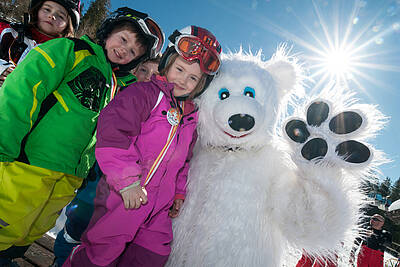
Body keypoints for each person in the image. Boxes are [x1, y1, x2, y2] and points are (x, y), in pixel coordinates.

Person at [0, 7, 164, 266]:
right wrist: (4, 144)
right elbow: (21, 90)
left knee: (33, 225)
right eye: (123, 39)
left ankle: (9, 257)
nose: (124, 50)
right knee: (7, 215)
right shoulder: (71, 51)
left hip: (69, 175)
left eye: (133, 51)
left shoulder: (120, 86)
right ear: (109, 31)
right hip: (27, 162)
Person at [63, 25, 222, 267]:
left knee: (152, 256)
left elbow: (184, 161)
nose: (184, 80)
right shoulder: (145, 93)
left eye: (193, 78)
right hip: (122, 197)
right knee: (102, 253)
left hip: (159, 208)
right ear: (167, 64)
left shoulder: (190, 118)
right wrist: (127, 181)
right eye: (180, 69)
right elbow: (113, 130)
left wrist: (179, 193)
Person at [52, 55, 162, 267]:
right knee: (79, 220)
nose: (148, 78)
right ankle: (60, 258)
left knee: (99, 232)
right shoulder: (118, 92)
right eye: (144, 71)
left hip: (121, 186)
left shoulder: (157, 108)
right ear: (134, 71)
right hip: (96, 173)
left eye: (155, 75)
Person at [0, 0, 80, 86]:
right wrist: (2, 68)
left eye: (60, 16)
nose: (51, 16)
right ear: (37, 10)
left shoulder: (64, 57)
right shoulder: (9, 32)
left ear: (68, 26)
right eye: (47, 9)